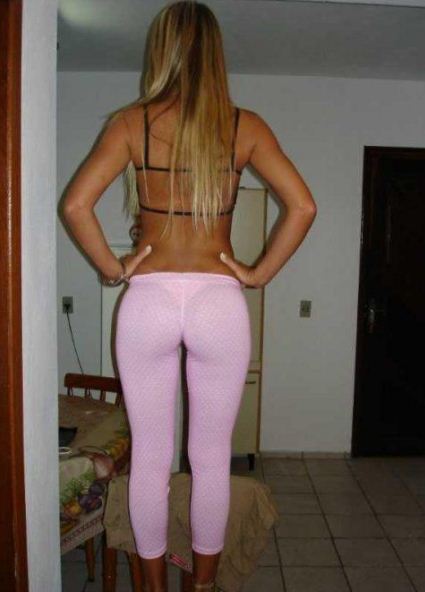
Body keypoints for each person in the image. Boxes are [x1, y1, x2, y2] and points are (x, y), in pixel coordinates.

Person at [61, 2, 316, 590]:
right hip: (218, 302)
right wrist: (257, 274)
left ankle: (152, 586)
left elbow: (75, 205)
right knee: (210, 458)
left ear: (161, 51)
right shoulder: (245, 126)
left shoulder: (131, 123)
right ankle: (201, 586)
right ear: (216, 54)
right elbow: (303, 206)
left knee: (151, 457)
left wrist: (114, 269)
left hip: (148, 299)